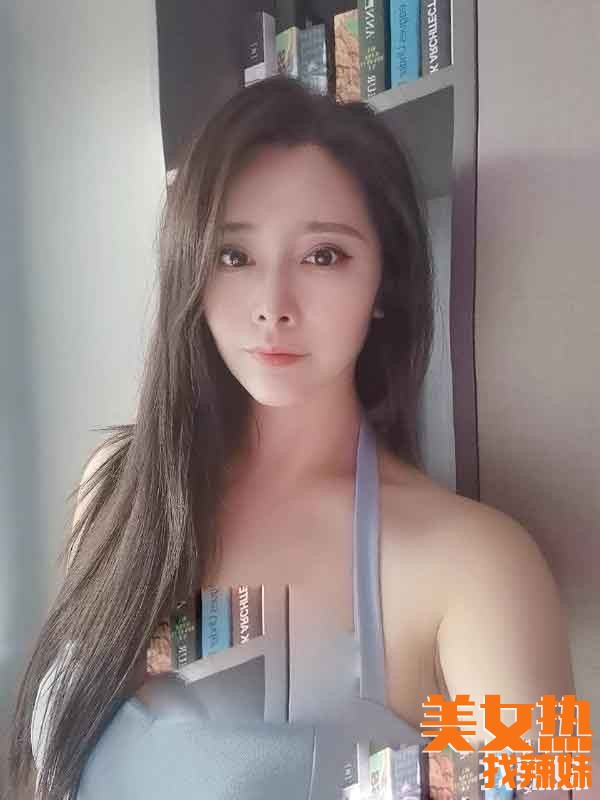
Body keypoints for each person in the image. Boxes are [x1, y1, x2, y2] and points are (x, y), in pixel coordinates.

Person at [7, 74, 575, 800]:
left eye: (323, 255)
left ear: (385, 283)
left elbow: (544, 779)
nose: (272, 306)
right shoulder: (116, 484)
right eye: (234, 255)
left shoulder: (477, 566)